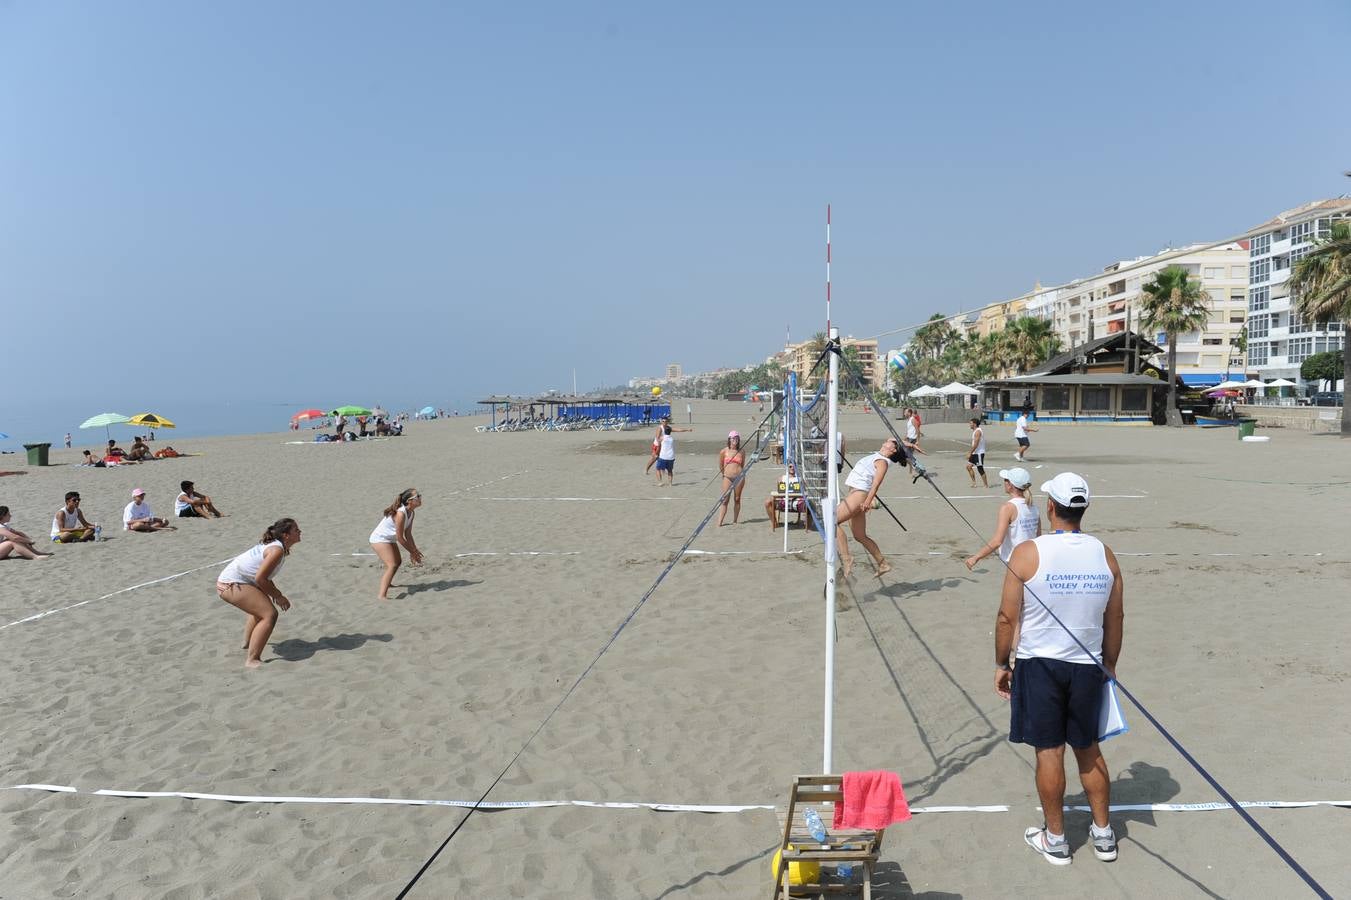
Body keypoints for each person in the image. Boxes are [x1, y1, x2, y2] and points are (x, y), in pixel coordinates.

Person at [994, 473, 1123, 867]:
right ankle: (1103, 835)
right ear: (1083, 509)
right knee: (1087, 749)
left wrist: (1002, 663)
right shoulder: (1105, 553)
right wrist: (1110, 664)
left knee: (1049, 752)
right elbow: (1115, 617)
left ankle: (1056, 839)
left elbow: (1005, 617)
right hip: (1087, 666)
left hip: (1040, 665)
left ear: (1050, 506)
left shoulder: (1029, 552)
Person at [217, 517, 301, 668]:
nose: (300, 532)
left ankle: (247, 643)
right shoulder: (277, 550)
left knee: (260, 609)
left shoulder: (278, 547)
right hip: (230, 583)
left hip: (236, 580)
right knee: (270, 614)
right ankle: (252, 659)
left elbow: (263, 578)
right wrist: (279, 596)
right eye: (296, 530)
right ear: (286, 535)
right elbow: (261, 578)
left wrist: (274, 593)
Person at [835, 437, 904, 578]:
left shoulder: (883, 462)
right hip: (856, 494)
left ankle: (846, 558)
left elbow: (876, 484)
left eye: (891, 443)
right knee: (860, 536)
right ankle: (883, 564)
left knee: (831, 522)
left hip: (859, 494)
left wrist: (868, 501)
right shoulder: (878, 456)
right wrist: (909, 445)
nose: (887, 440)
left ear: (893, 450)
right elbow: (894, 439)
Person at [965, 467, 1040, 570]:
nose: (1004, 482)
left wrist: (976, 557)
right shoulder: (1034, 507)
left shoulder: (1008, 508)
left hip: (1016, 562)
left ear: (1010, 485)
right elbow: (1038, 538)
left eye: (1006, 480)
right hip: (1032, 560)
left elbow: (997, 541)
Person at [370, 488, 424, 600]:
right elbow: (400, 538)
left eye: (419, 495)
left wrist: (414, 550)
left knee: (397, 562)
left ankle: (388, 583)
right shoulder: (401, 514)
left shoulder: (411, 513)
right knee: (392, 564)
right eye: (417, 496)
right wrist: (412, 552)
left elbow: (408, 534)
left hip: (389, 538)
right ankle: (382, 595)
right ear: (409, 501)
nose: (420, 497)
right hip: (379, 539)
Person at [717, 431, 747, 526]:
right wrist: (725, 474)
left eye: (737, 438)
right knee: (725, 499)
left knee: (737, 498)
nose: (735, 440)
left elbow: (742, 464)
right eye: (733, 438)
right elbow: (721, 465)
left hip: (739, 477)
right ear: (729, 439)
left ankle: (735, 520)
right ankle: (720, 522)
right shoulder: (724, 451)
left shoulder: (741, 451)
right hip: (727, 477)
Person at [765, 464, 807, 530]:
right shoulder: (781, 478)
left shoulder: (800, 479)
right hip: (783, 502)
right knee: (767, 502)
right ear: (787, 467)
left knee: (810, 504)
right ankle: (774, 523)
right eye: (790, 466)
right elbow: (779, 492)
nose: (792, 468)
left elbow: (805, 492)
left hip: (797, 502)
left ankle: (808, 527)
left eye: (794, 466)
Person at [654, 421, 692, 487]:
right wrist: (687, 429)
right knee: (670, 470)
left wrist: (656, 453)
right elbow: (678, 430)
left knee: (658, 469)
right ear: (670, 432)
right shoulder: (671, 439)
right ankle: (670, 483)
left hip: (663, 456)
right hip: (671, 456)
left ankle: (660, 482)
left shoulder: (662, 438)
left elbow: (659, 446)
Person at [965, 417, 989, 488]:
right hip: (974, 453)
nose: (969, 425)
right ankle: (974, 483)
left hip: (979, 453)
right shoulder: (975, 431)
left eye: (971, 423)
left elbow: (976, 444)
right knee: (968, 467)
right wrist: (972, 453)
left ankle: (986, 485)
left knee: (980, 469)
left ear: (974, 424)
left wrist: (970, 452)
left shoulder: (978, 431)